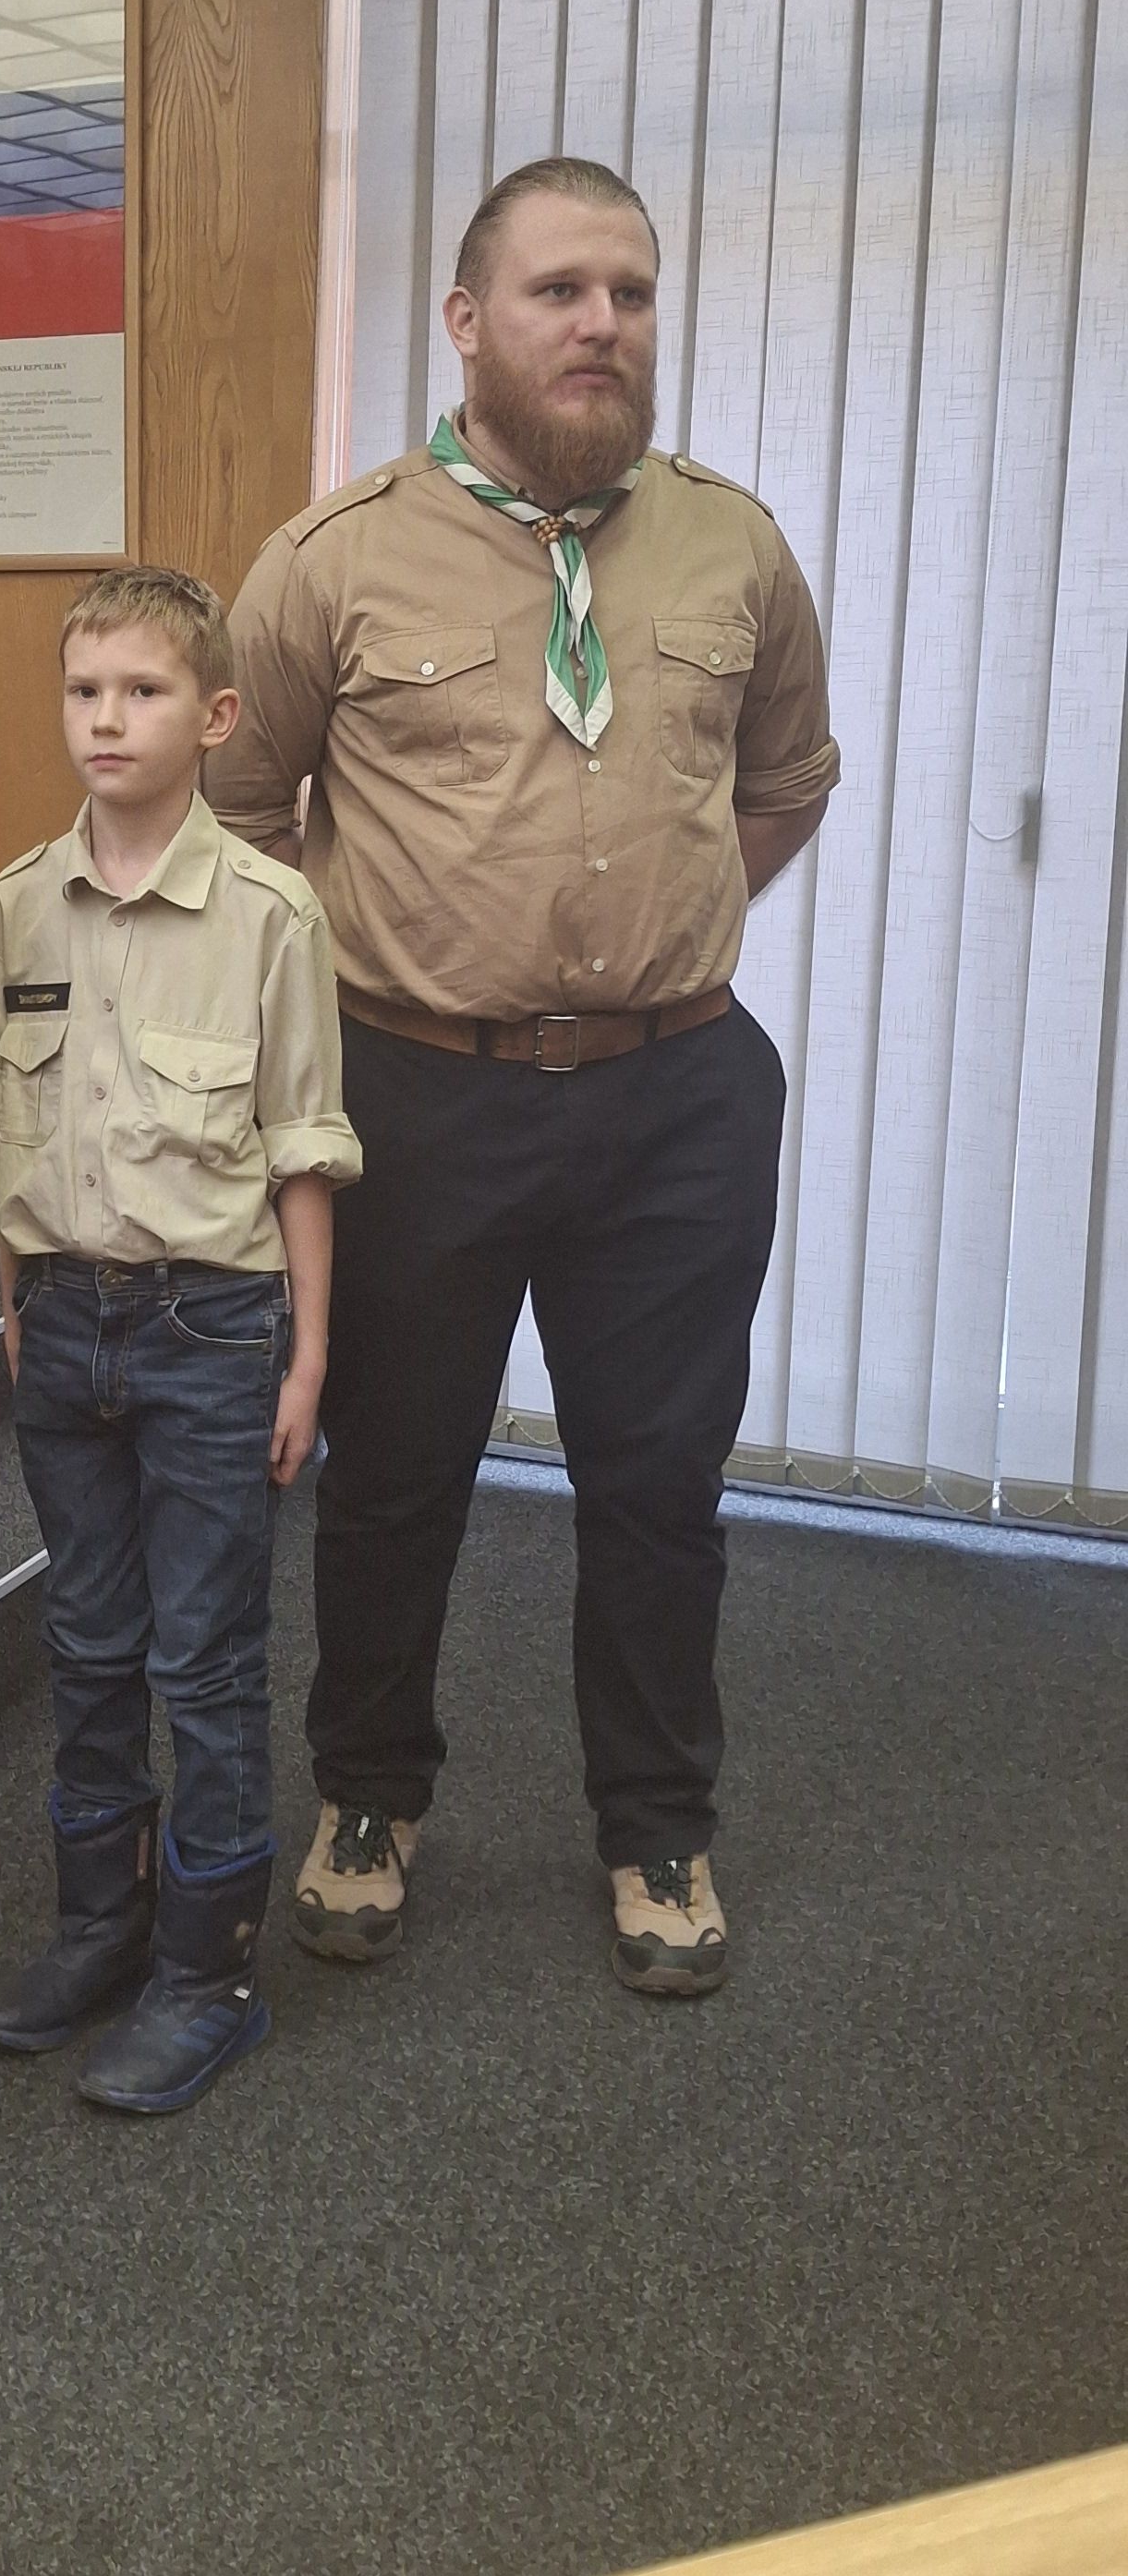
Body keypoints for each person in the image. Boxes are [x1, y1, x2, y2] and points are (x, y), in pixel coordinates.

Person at [206, 156, 839, 1998]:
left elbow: (783, 780)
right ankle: (368, 1796)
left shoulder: (730, 546)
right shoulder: (331, 561)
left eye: (630, 294)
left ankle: (656, 1826)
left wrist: (644, 936)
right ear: (467, 323)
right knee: (394, 1476)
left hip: (675, 1095)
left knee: (657, 1484)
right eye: (561, 292)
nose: (602, 325)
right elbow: (238, 822)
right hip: (417, 1094)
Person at [0, 568, 360, 2112]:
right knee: (84, 1645)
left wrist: (306, 1358)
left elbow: (303, 1149)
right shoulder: (18, 904)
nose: (107, 720)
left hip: (214, 1329)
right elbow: (6, 1126)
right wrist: (13, 1305)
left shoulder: (270, 914)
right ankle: (100, 1926)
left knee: (203, 1659)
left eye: (142, 692)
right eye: (84, 691)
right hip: (63, 1320)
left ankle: (209, 1972)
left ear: (214, 717)